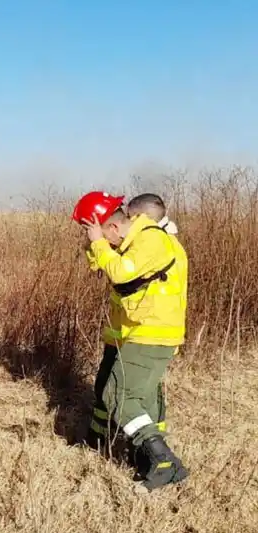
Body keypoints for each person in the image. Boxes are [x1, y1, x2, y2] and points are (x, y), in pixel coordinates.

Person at [73, 190, 189, 492]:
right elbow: (104, 265)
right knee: (132, 396)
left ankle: (162, 460)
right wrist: (95, 244)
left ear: (112, 227)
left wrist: (98, 241)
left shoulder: (151, 239)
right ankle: (145, 456)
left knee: (120, 396)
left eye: (99, 232)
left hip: (152, 332)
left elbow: (121, 272)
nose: (100, 240)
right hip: (138, 331)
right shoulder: (135, 240)